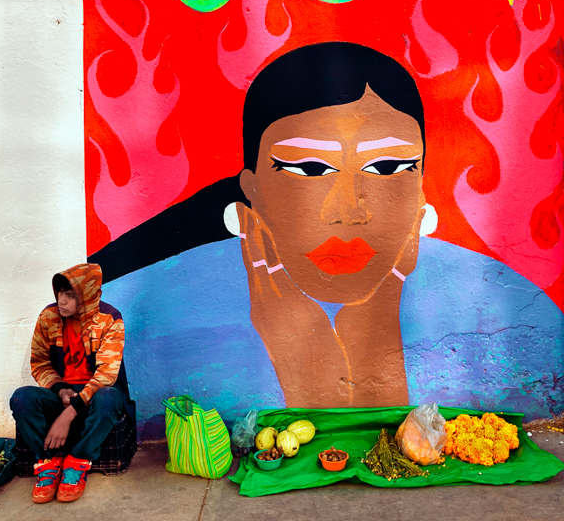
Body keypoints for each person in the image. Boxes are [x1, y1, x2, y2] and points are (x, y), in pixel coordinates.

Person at [97, 42, 564, 423]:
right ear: (251, 189)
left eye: (387, 167)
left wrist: (374, 340)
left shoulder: (508, 296)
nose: (350, 212)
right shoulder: (141, 304)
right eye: (308, 168)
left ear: (421, 189)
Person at [10, 263, 131, 503]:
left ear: (87, 296)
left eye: (70, 295)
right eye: (60, 294)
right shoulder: (49, 317)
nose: (61, 301)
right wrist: (59, 389)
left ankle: (77, 461)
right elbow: (40, 362)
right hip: (62, 394)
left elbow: (107, 375)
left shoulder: (110, 319)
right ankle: (49, 462)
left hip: (96, 395)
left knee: (109, 397)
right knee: (21, 397)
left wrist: (69, 415)